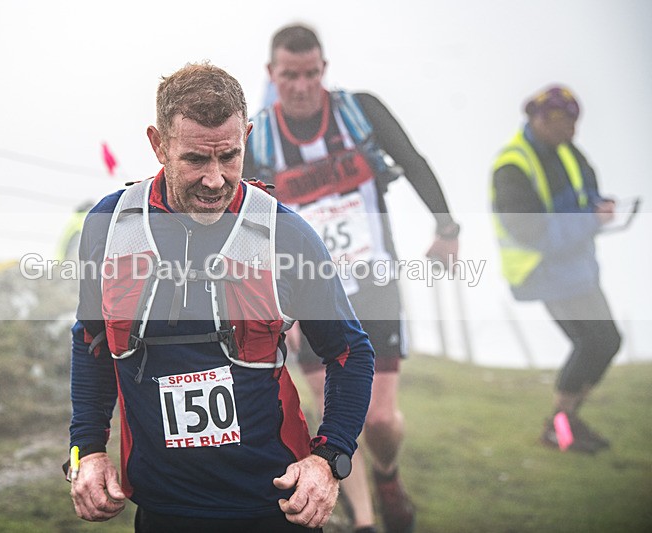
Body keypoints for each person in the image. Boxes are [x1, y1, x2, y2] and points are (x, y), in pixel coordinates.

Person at [66, 62, 375, 532]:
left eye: (229, 156)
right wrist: (87, 449)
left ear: (246, 137)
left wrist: (329, 458)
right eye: (195, 159)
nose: (215, 179)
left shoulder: (286, 235)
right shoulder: (109, 227)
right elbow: (90, 341)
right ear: (158, 144)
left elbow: (350, 351)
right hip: (162, 510)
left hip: (274, 506)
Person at [244, 24, 460, 533]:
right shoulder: (259, 139)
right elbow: (250, 227)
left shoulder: (360, 112)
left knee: (380, 420)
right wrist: (273, 305)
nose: (301, 86)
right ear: (272, 73)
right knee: (336, 411)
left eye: (310, 73)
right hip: (308, 293)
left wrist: (447, 228)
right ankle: (364, 521)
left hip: (375, 281)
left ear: (323, 69)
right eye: (289, 75)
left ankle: (388, 474)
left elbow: (413, 162)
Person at [491, 85, 622, 454]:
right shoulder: (512, 165)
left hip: (575, 267)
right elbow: (529, 231)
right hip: (544, 271)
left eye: (575, 122)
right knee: (593, 342)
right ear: (540, 119)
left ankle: (566, 422)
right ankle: (560, 427)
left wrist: (600, 206)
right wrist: (591, 219)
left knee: (605, 342)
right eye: (565, 121)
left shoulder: (567, 151)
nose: (572, 130)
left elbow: (585, 193)